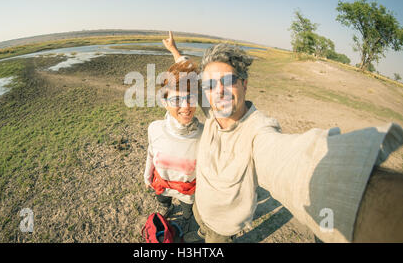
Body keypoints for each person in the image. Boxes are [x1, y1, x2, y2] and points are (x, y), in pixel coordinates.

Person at [162, 31, 403, 243]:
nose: (220, 90)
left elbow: (297, 164)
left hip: (222, 228)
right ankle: (198, 228)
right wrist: (174, 50)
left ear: (244, 85)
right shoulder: (213, 109)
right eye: (211, 84)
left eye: (228, 81)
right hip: (200, 210)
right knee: (197, 228)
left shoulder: (258, 134)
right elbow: (189, 70)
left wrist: (365, 197)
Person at [143, 58, 203, 233]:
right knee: (163, 201)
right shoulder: (154, 128)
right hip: (161, 185)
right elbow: (151, 154)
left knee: (187, 212)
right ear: (164, 101)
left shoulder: (204, 135)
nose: (186, 107)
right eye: (176, 100)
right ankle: (166, 208)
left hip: (187, 192)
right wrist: (147, 176)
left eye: (190, 98)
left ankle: (185, 220)